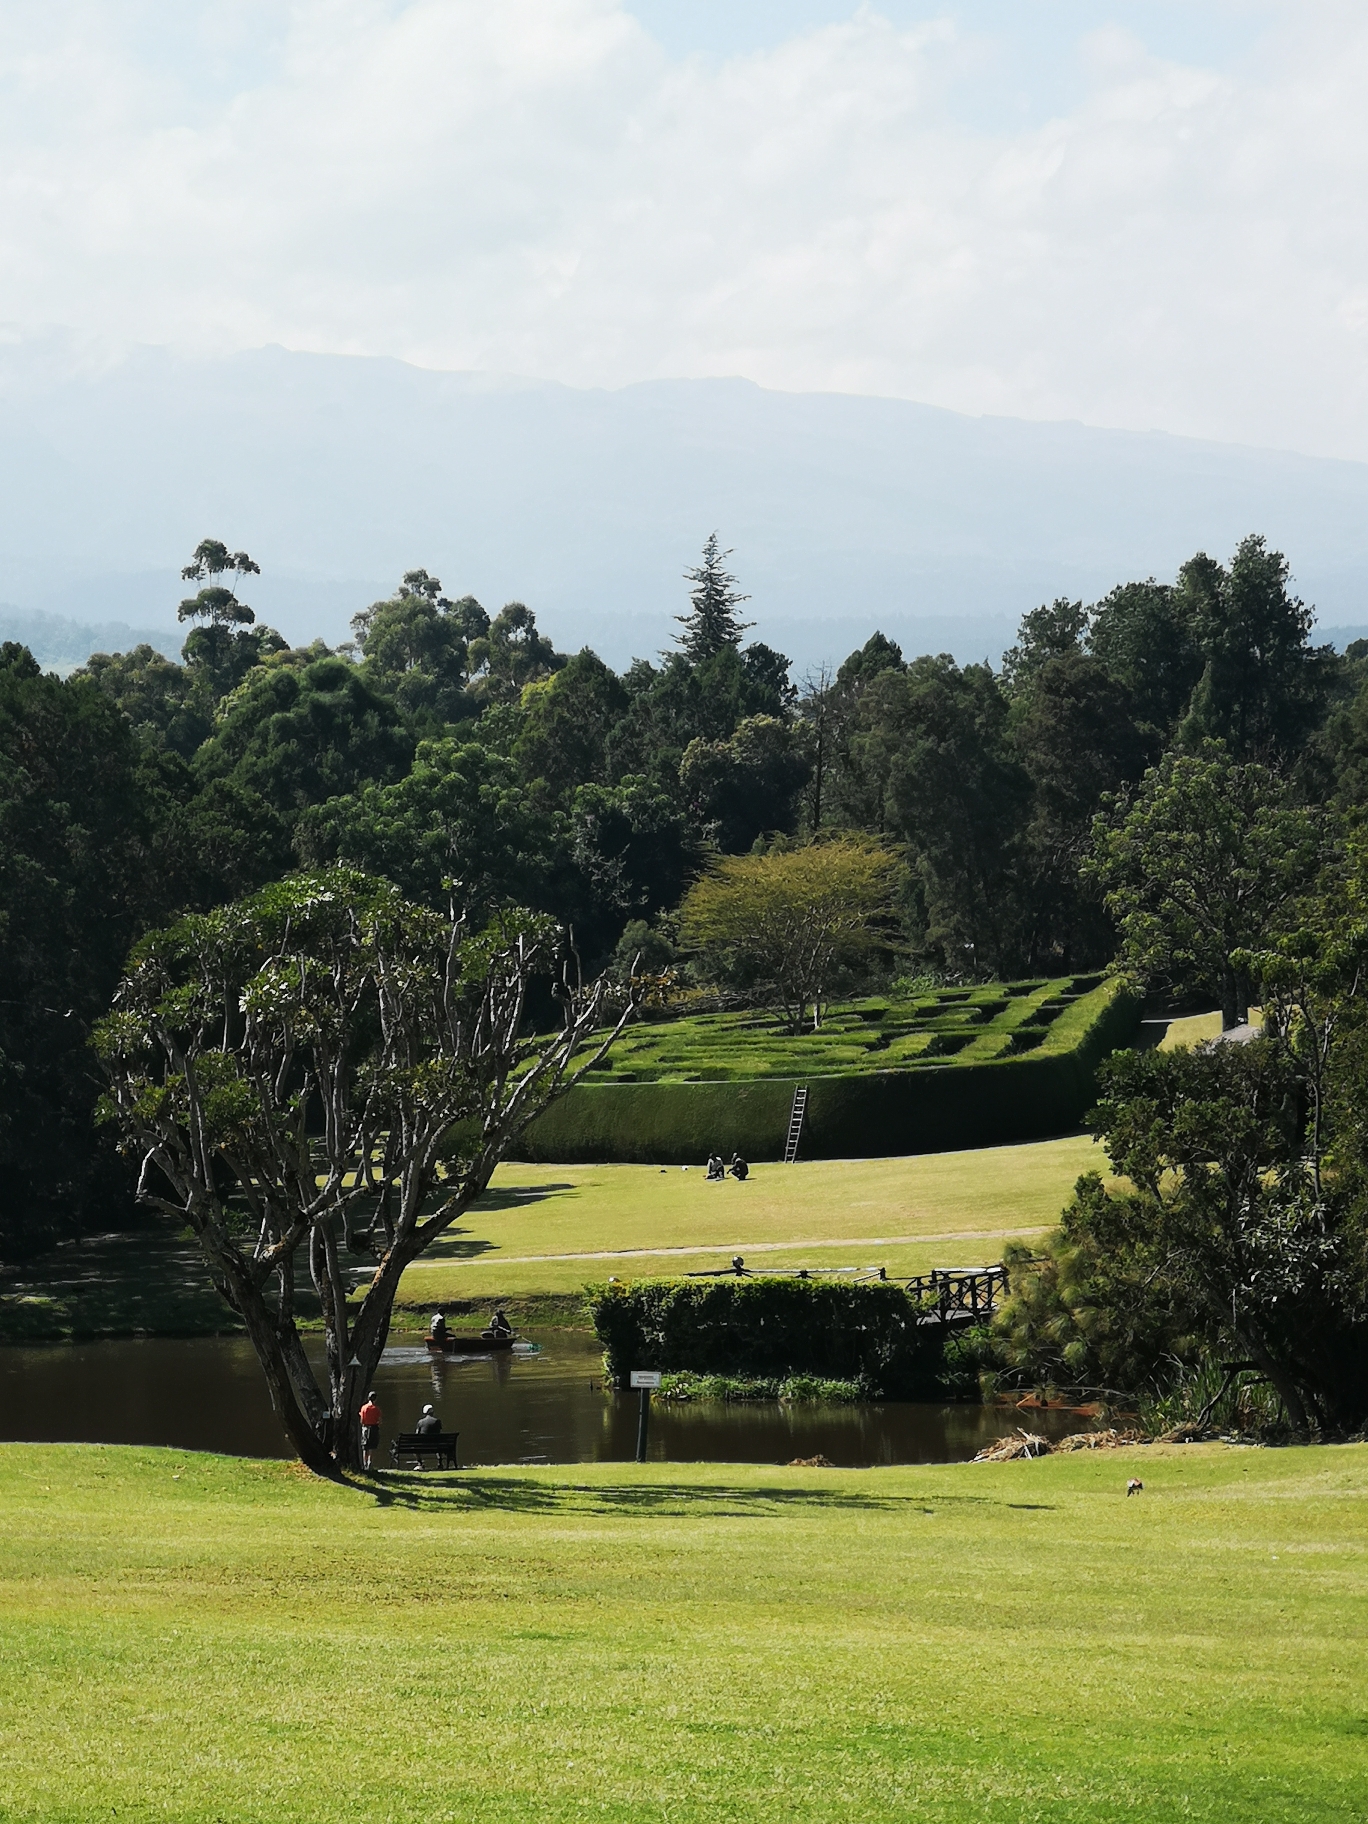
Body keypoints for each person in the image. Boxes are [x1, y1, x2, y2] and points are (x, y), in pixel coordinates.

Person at [358, 1391, 381, 1471]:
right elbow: (379, 1420)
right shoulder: (376, 1409)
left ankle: (364, 1463)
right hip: (374, 1428)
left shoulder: (363, 1408)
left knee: (365, 1447)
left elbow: (361, 1420)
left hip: (365, 1428)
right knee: (371, 1447)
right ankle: (369, 1463)